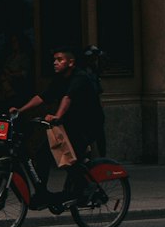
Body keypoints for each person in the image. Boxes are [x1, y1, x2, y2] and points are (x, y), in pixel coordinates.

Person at [12, 45, 104, 209]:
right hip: (70, 123)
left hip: (87, 125)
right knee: (42, 154)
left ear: (70, 62)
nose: (55, 62)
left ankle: (86, 187)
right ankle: (42, 193)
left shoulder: (80, 77)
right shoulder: (60, 79)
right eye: (54, 59)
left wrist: (57, 116)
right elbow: (42, 97)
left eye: (59, 59)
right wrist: (20, 110)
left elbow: (68, 98)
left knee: (68, 156)